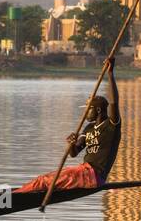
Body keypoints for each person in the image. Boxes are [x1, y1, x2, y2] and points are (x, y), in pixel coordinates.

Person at [16, 55, 120, 193]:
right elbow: (74, 153)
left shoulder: (111, 125)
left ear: (98, 110)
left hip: (93, 175)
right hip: (83, 171)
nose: (85, 113)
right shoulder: (89, 128)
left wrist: (110, 73)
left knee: (44, 181)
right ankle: (21, 192)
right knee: (43, 180)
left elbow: (114, 102)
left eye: (88, 109)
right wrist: (71, 143)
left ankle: (15, 196)